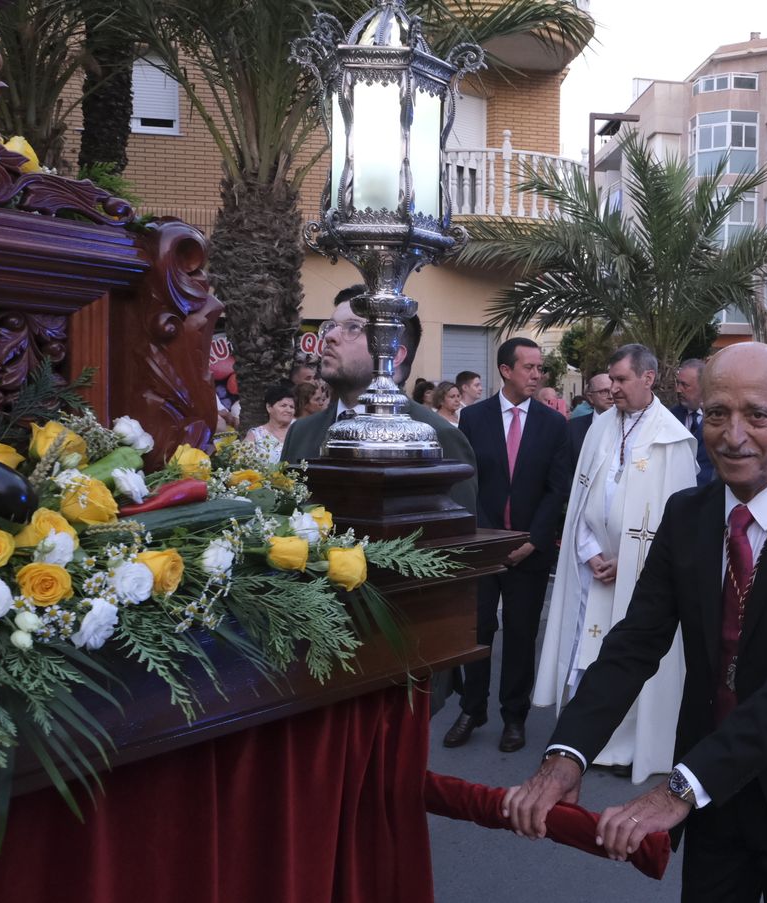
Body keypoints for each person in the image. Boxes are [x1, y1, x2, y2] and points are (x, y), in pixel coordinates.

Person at [504, 343, 767, 902]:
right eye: (717, 413)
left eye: (757, 415)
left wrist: (676, 790)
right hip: (716, 799)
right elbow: (635, 643)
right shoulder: (687, 515)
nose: (732, 434)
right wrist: (565, 755)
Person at [534, 344, 697, 783]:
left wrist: (631, 562)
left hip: (642, 573)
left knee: (630, 652)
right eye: (611, 380)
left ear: (648, 378)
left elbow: (679, 522)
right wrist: (590, 552)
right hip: (594, 567)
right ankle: (586, 739)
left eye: (622, 380)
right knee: (587, 648)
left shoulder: (673, 438)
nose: (613, 388)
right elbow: (580, 500)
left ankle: (629, 746)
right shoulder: (600, 427)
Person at [446, 337, 570, 753]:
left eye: (540, 368)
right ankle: (472, 708)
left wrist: (533, 541)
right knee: (479, 629)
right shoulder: (474, 419)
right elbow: (468, 483)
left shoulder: (554, 425)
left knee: (520, 635)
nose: (537, 375)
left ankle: (513, 716)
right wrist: (487, 538)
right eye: (529, 367)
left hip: (530, 552)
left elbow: (557, 490)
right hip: (484, 549)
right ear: (506, 370)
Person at [282, 285, 476, 515]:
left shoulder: (437, 435)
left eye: (353, 327)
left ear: (393, 354)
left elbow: (458, 537)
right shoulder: (301, 432)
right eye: (331, 327)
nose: (331, 337)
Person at [668, 358, 715, 487]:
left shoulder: (719, 417)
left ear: (703, 386)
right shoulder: (669, 417)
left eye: (685, 385)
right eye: (678, 383)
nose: (678, 390)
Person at [244, 383, 296, 464]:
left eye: (291, 407)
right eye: (283, 405)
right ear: (269, 407)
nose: (288, 410)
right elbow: (243, 463)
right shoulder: (255, 435)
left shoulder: (299, 432)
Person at [569, 372, 613, 465]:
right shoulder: (573, 428)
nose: (611, 396)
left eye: (613, 391)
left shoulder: (630, 425)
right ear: (590, 397)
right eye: (604, 392)